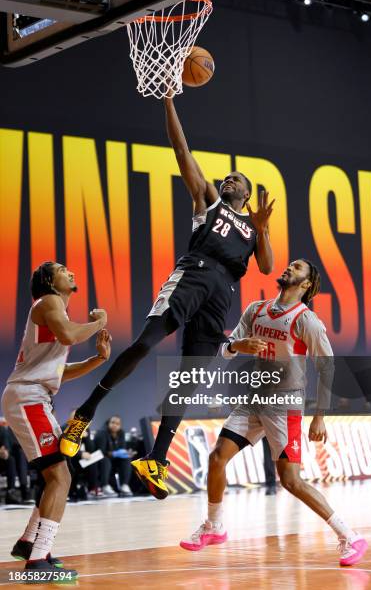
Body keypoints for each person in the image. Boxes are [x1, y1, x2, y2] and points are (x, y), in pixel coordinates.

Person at [61, 94, 275, 501]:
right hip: (192, 276)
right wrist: (169, 103)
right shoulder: (209, 201)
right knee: (143, 344)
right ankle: (84, 414)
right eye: (227, 177)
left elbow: (265, 267)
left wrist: (263, 229)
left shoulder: (252, 227)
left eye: (237, 181)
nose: (229, 181)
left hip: (221, 295)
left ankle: (156, 458)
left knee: (190, 378)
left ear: (247, 195)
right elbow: (182, 151)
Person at [179, 259, 368, 567]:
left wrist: (320, 415)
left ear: (306, 284)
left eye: (296, 268)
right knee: (217, 458)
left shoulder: (307, 321)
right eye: (290, 265)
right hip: (255, 397)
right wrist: (237, 345)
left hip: (285, 404)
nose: (288, 269)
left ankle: (349, 536)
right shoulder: (256, 309)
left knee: (290, 481)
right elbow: (226, 348)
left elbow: (327, 366)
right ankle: (214, 525)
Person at [1, 261, 111, 577]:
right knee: (61, 477)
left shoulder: (53, 312)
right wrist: (100, 322)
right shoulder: (49, 302)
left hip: (33, 397)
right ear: (50, 281)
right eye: (62, 269)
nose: (70, 272)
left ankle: (29, 543)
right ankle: (37, 561)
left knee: (56, 476)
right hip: (28, 398)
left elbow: (59, 372)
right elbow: (69, 335)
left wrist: (97, 359)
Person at [94, 415, 133, 496]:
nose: (115, 425)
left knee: (127, 459)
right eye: (113, 422)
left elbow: (122, 448)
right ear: (108, 423)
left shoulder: (121, 433)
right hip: (100, 458)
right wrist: (114, 453)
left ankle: (124, 485)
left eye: (118, 424)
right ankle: (105, 486)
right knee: (106, 460)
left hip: (114, 458)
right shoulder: (102, 433)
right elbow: (101, 452)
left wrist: (126, 453)